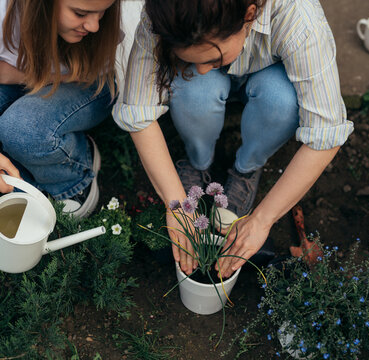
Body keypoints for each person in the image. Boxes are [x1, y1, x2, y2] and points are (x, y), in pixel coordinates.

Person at [113, 0, 353, 277]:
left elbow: (326, 134)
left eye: (211, 58)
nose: (203, 67)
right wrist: (176, 206)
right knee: (195, 85)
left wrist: (262, 221)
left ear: (249, 15)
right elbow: (138, 113)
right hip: (205, 90)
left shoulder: (299, 20)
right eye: (189, 57)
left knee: (283, 100)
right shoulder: (166, 11)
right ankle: (197, 160)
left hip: (271, 79)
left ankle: (247, 168)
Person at [0, 0, 121, 218]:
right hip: (18, 86)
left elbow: (96, 72)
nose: (94, 27)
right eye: (80, 13)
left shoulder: (123, 13)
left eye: (102, 13)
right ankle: (20, 179)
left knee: (23, 127)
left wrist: (10, 74)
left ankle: (71, 177)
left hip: (87, 84)